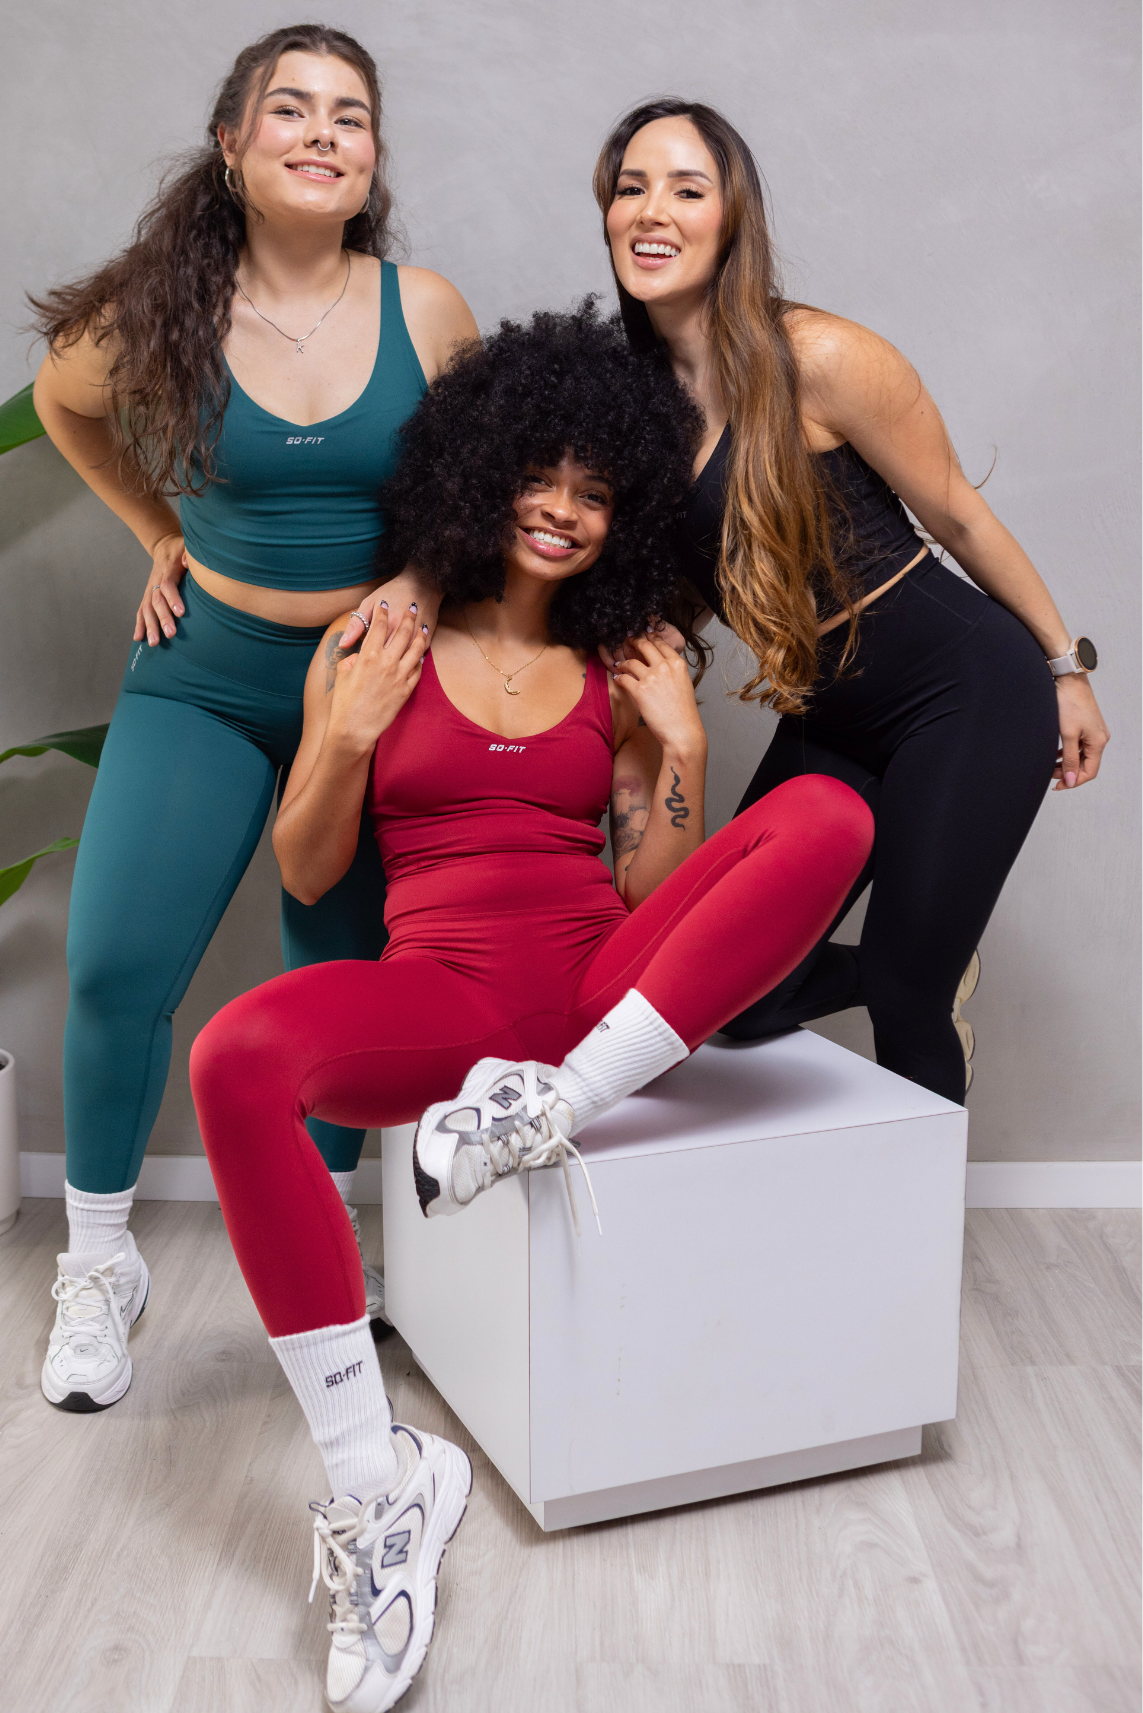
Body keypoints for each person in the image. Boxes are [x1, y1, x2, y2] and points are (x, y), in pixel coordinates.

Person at [187, 305, 874, 1713]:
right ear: (478, 475)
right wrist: (348, 736)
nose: (561, 510)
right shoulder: (375, 642)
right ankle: (378, 1483)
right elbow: (308, 869)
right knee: (234, 1054)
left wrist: (680, 748)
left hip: (593, 1003)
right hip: (438, 1002)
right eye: (537, 478)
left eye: (593, 492)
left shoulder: (622, 665)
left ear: (621, 517)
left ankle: (549, 1107)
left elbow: (654, 896)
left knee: (827, 814)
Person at [30, 22, 476, 1411]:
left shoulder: (424, 310)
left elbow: (474, 487)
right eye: (291, 108)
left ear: (371, 159)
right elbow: (64, 407)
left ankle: (325, 1239)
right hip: (206, 675)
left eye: (350, 114)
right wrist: (160, 535)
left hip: (371, 688)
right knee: (115, 966)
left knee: (335, 986)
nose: (322, 132)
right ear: (233, 144)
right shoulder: (156, 311)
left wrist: (418, 582)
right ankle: (98, 1265)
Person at [579, 98, 1109, 1106]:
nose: (653, 211)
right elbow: (704, 564)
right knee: (736, 993)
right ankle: (924, 961)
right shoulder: (631, 403)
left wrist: (1063, 668)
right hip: (829, 713)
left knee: (907, 999)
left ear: (731, 218)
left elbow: (957, 515)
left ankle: (921, 998)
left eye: (687, 189)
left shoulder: (815, 356)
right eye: (631, 187)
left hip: (964, 691)